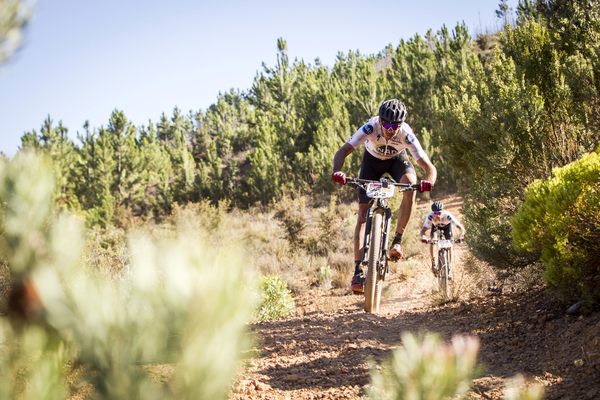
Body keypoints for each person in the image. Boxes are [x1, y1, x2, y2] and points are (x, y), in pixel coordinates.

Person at [332, 99, 437, 293]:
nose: (390, 130)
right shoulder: (370, 127)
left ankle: (397, 241)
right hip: (371, 164)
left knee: (410, 187)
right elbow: (342, 151)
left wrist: (429, 180)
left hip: (397, 162)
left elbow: (428, 166)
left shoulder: (406, 134)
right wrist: (338, 171)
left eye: (395, 126)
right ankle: (357, 271)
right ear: (380, 120)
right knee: (363, 215)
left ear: (401, 125)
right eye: (386, 125)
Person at [419, 201, 465, 279]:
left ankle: (449, 269)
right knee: (432, 240)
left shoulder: (448, 215)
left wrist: (462, 235)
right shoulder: (430, 216)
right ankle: (433, 263)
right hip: (436, 227)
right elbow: (423, 231)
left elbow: (461, 228)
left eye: (439, 212)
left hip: (447, 227)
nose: (437, 215)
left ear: (443, 211)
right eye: (435, 213)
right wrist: (423, 237)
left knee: (450, 245)